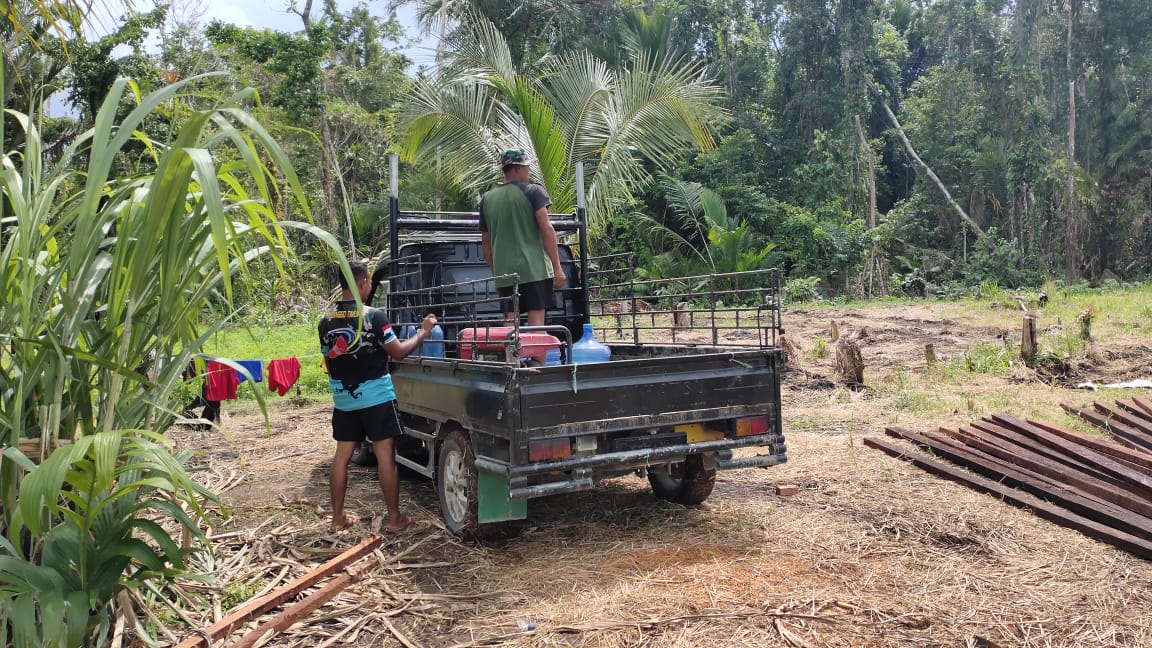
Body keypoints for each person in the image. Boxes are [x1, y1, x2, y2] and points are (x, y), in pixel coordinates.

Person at [318, 260, 437, 532]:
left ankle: (337, 517)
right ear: (361, 282)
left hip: (344, 399)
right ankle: (394, 518)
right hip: (376, 398)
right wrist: (423, 332)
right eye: (370, 281)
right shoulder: (373, 316)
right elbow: (398, 352)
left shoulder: (324, 321)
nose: (370, 286)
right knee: (385, 456)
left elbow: (330, 361)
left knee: (341, 457)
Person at [479, 149, 567, 326]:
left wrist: (497, 275)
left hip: (505, 274)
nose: (529, 172)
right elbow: (547, 229)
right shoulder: (534, 192)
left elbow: (486, 242)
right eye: (527, 168)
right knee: (536, 325)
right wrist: (557, 267)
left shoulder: (486, 199)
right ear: (518, 168)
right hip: (536, 271)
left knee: (510, 323)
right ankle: (535, 355)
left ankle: (511, 355)